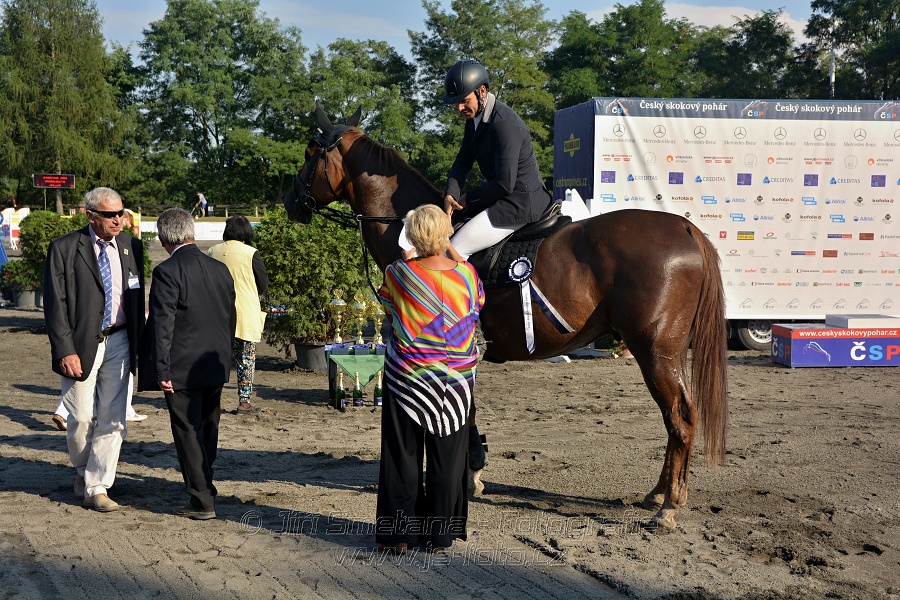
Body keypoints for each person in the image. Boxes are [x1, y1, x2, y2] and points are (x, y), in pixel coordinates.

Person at [375, 204, 485, 553]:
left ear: (412, 235)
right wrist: (448, 242)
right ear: (446, 233)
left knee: (401, 456)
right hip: (455, 381)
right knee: (447, 461)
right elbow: (477, 304)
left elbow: (388, 306)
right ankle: (440, 537)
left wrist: (414, 252)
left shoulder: (399, 273)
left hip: (408, 376)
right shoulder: (468, 276)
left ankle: (399, 536)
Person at [43, 187, 145, 512]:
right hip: (81, 345)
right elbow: (55, 305)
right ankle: (83, 470)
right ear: (90, 215)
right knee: (81, 417)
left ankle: (98, 485)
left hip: (122, 341)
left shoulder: (132, 247)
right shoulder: (64, 249)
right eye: (111, 215)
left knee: (114, 419)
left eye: (121, 212)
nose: (119, 220)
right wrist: (64, 349)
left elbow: (136, 294)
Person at [139, 207, 235, 520]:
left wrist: (161, 369)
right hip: (215, 360)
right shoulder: (220, 268)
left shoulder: (167, 272)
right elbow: (230, 316)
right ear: (191, 233)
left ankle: (202, 498)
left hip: (181, 365)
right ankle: (204, 483)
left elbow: (161, 324)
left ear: (165, 238)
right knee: (208, 427)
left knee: (188, 431)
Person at [441, 59, 554, 260]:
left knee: (454, 250)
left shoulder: (504, 125)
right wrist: (451, 194)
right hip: (501, 195)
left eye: (464, 100)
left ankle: (472, 291)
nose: (459, 108)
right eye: (456, 103)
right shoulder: (475, 118)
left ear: (481, 91)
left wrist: (468, 198)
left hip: (519, 202)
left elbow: (504, 184)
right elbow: (462, 161)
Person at [207, 215, 269, 414]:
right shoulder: (251, 253)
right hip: (244, 312)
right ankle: (244, 402)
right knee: (245, 359)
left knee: (216, 359)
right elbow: (264, 284)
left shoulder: (212, 251)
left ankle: (211, 400)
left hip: (217, 313)